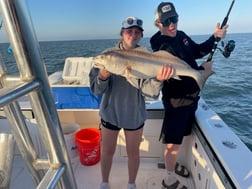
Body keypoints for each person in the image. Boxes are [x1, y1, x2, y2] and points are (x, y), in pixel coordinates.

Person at [89, 16, 174, 189]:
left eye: (137, 32)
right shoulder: (107, 56)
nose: (132, 35)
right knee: (107, 151)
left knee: (133, 153)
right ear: (122, 33)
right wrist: (102, 76)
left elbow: (150, 92)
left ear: (140, 36)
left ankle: (131, 184)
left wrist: (158, 79)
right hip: (110, 113)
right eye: (129, 31)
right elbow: (95, 90)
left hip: (134, 115)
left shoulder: (147, 57)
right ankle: (104, 182)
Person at [150, 2, 228, 189]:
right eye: (167, 21)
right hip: (177, 102)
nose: (172, 24)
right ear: (158, 24)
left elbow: (198, 50)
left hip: (192, 99)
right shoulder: (160, 44)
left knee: (180, 139)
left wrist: (214, 37)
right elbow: (178, 76)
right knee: (173, 142)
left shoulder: (181, 35)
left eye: (174, 19)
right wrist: (202, 71)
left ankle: (172, 166)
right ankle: (168, 179)